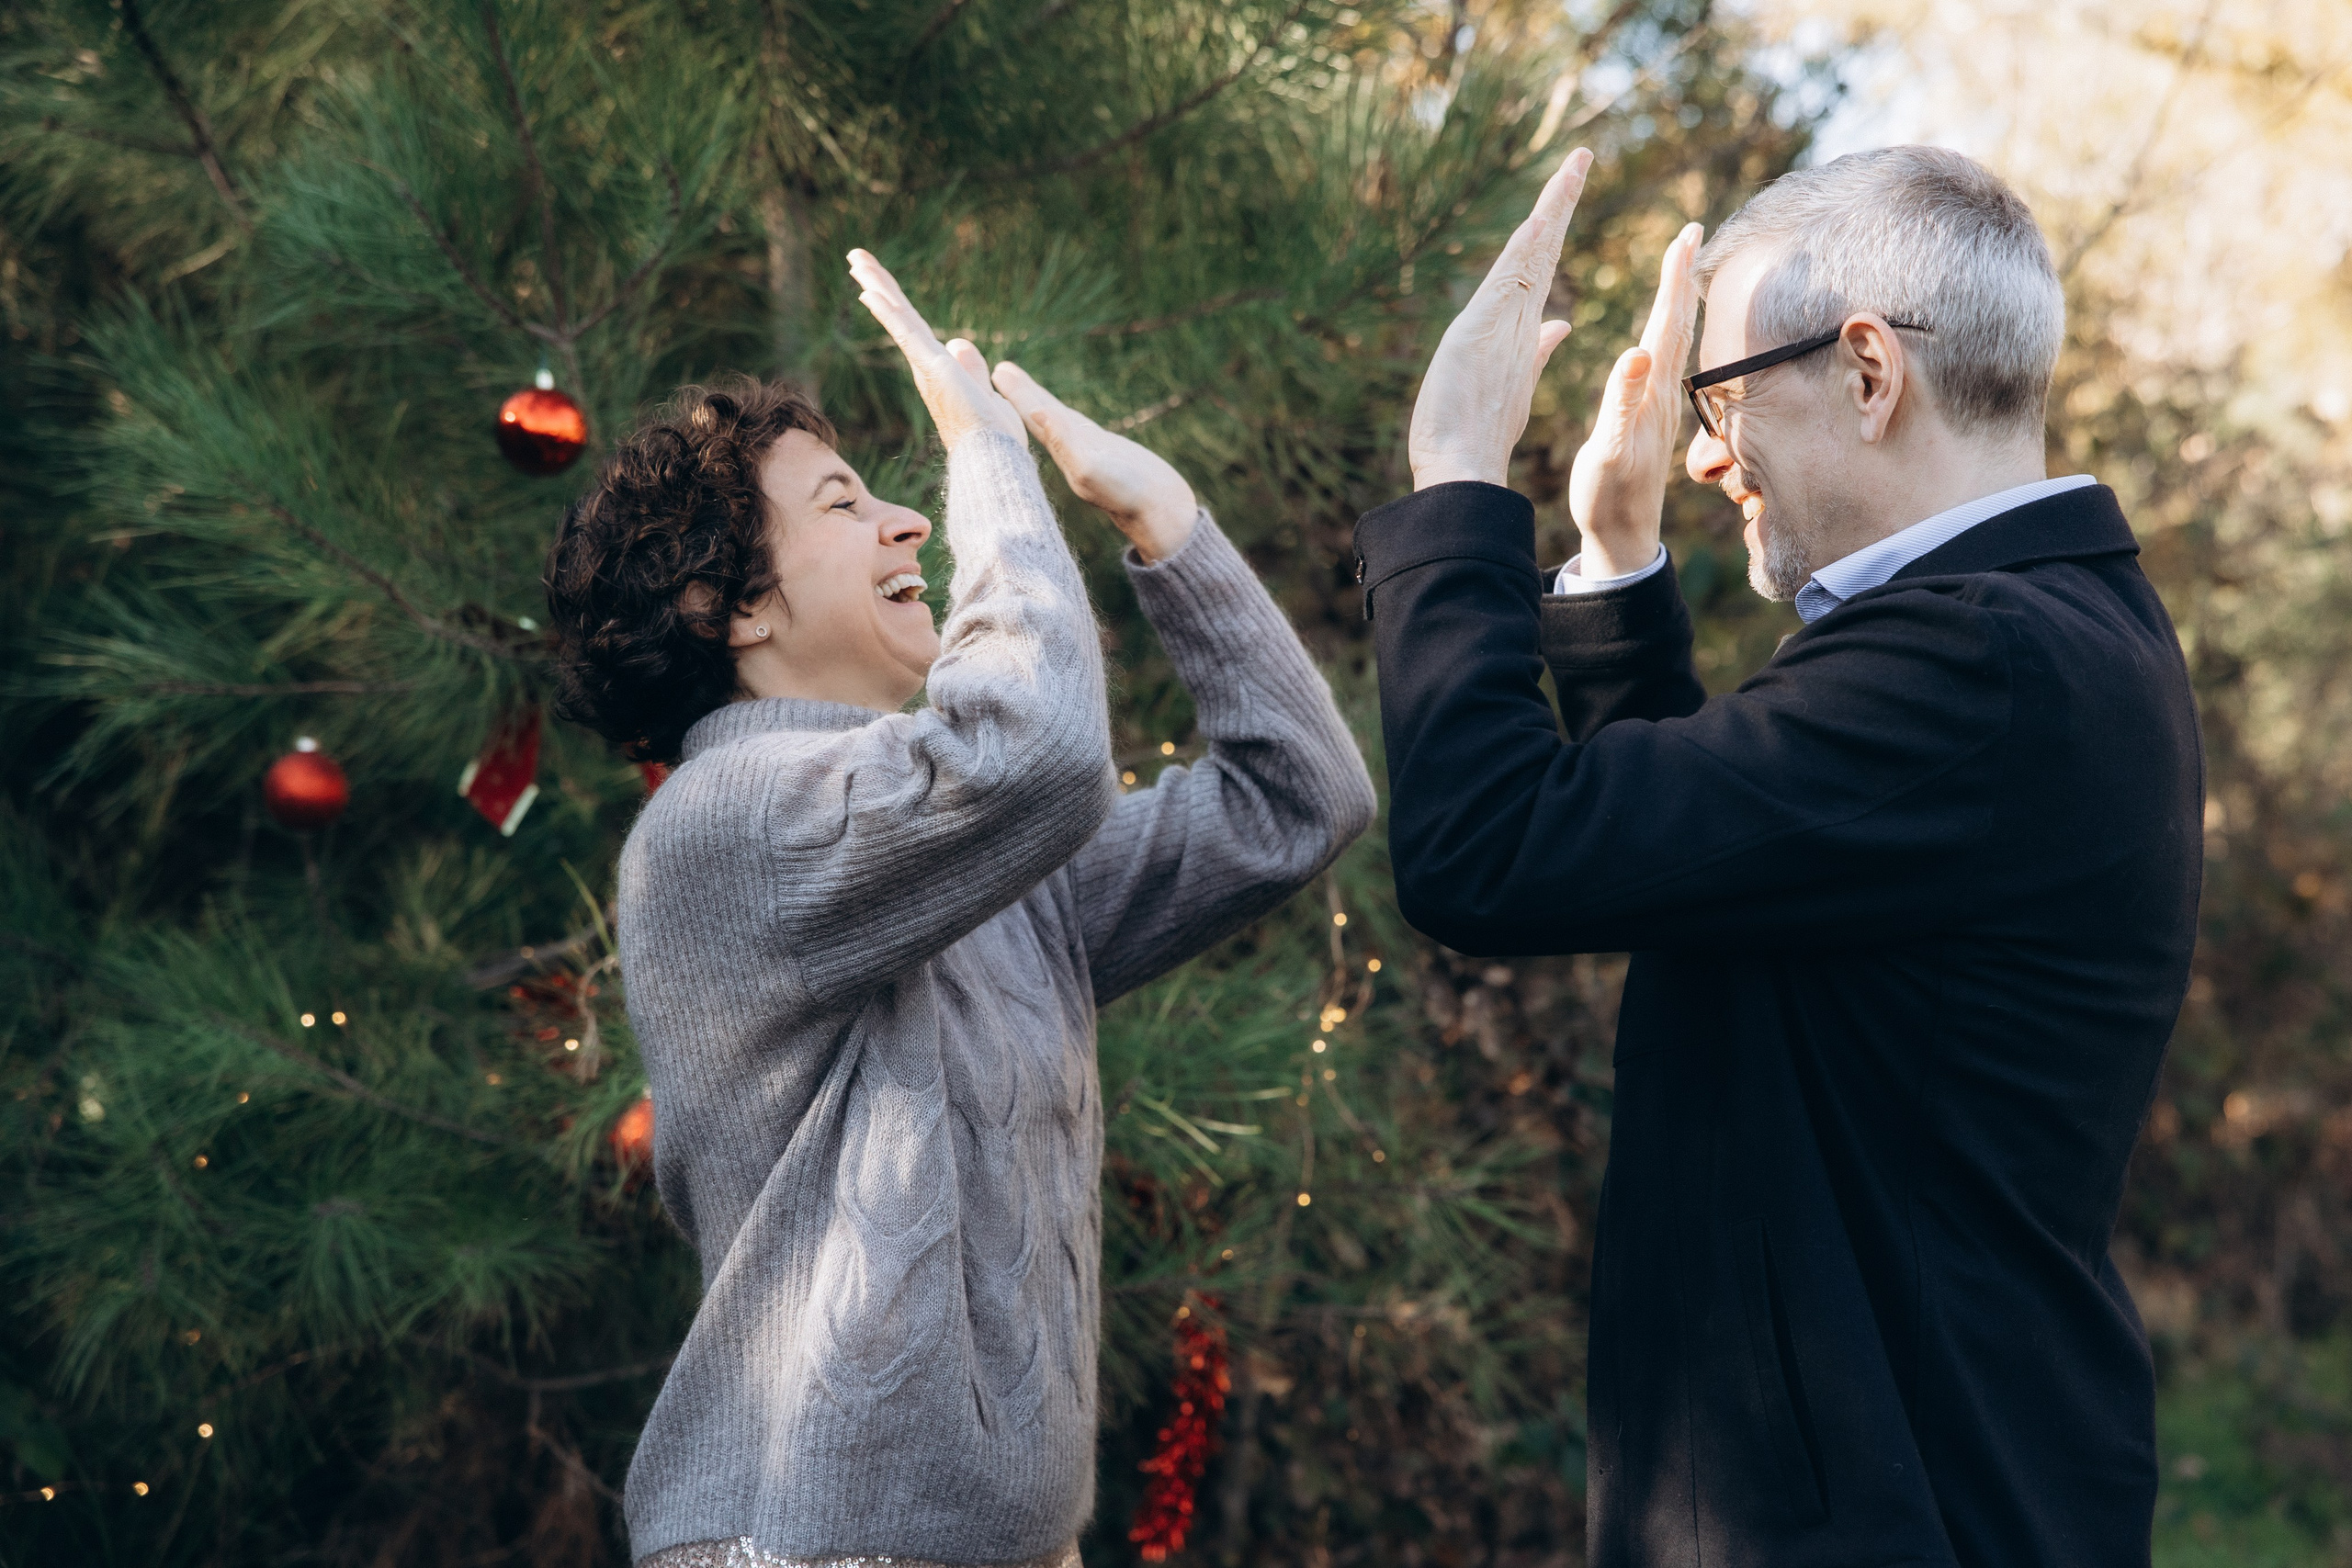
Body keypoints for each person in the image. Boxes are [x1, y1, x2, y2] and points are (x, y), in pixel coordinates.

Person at [1353, 144, 2200, 1567]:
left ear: (1868, 373)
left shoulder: (1974, 662)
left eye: (1725, 395)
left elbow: (1487, 851)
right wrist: (1618, 560)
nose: (1702, 453)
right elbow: (1715, 884)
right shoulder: (2057, 628)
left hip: (1895, 1516)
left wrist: (1455, 483)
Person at [544, 251, 1375, 1568]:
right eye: (844, 502)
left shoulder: (979, 866)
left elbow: (1297, 801)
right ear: (730, 605)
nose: (910, 525)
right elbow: (1035, 753)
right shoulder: (721, 825)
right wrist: (985, 453)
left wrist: (1169, 526)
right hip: (806, 1546)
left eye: (893, 495)